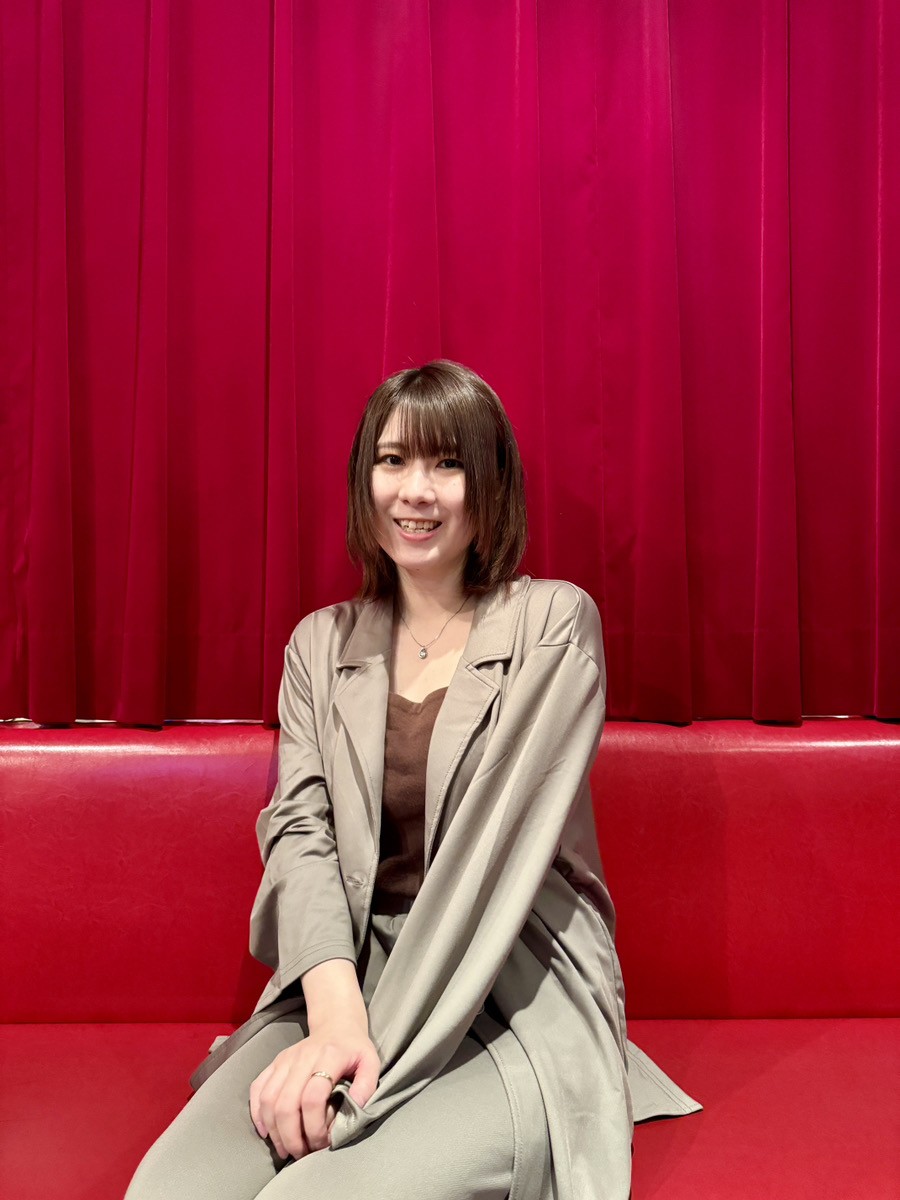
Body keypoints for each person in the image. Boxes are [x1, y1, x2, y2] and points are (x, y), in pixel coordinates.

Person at [124, 361, 699, 1200]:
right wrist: (334, 1021)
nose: (415, 491)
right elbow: (300, 836)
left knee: (308, 1197)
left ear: (490, 483)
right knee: (168, 1192)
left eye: (447, 463)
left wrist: (356, 1060)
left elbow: (487, 858)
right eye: (392, 461)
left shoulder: (553, 624)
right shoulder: (318, 646)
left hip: (508, 991)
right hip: (348, 981)